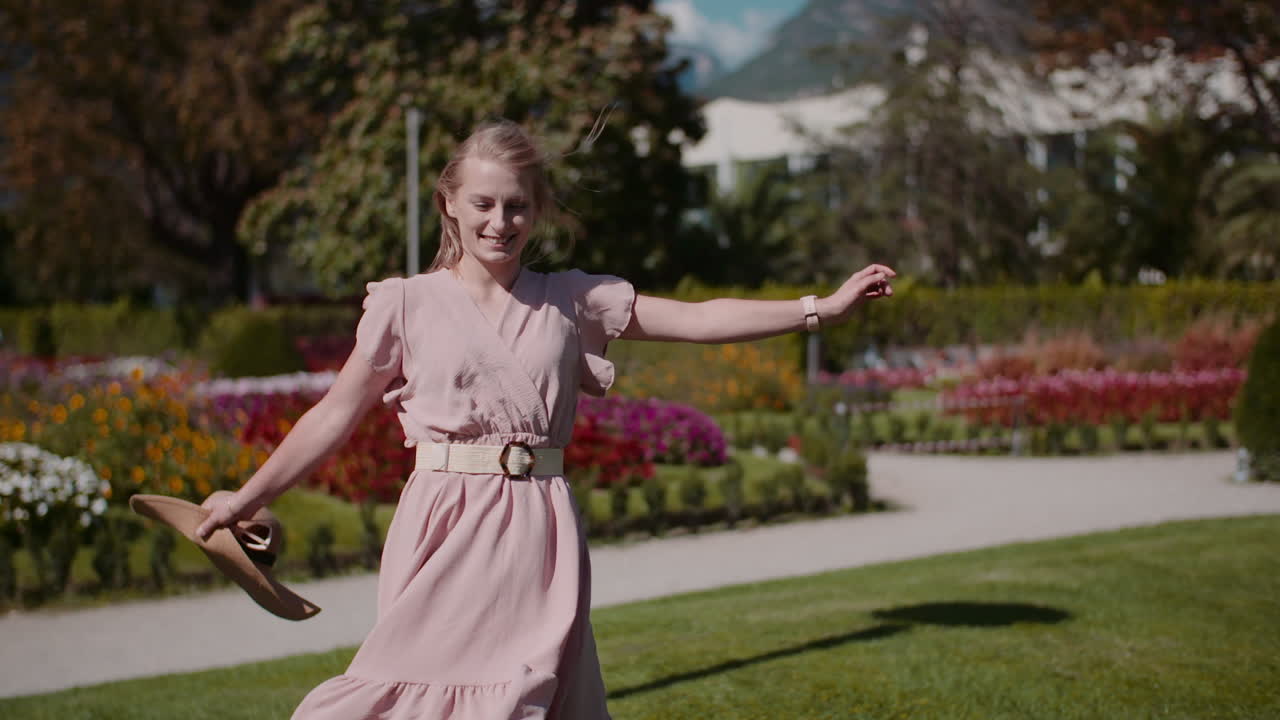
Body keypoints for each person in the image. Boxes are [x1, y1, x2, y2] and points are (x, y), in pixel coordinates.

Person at [195, 119, 895, 719]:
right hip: (441, 521)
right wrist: (246, 498)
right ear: (449, 204)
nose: (500, 222)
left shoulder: (573, 299)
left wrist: (819, 309)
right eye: (483, 203)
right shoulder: (405, 303)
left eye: (517, 206)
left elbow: (698, 319)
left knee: (528, 696)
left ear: (538, 210)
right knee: (410, 691)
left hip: (539, 527)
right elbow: (333, 415)